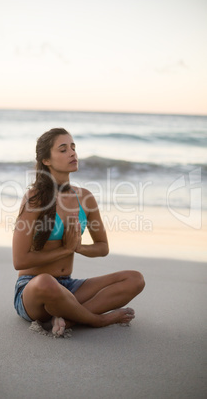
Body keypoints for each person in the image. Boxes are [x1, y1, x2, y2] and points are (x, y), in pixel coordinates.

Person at [13, 128, 145, 336]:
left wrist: (79, 247)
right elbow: (19, 261)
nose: (73, 153)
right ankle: (96, 320)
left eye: (73, 147)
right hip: (34, 290)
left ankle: (68, 318)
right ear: (46, 160)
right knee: (46, 281)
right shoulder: (35, 199)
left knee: (135, 279)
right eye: (63, 149)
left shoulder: (85, 197)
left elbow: (102, 247)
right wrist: (67, 249)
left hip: (69, 287)